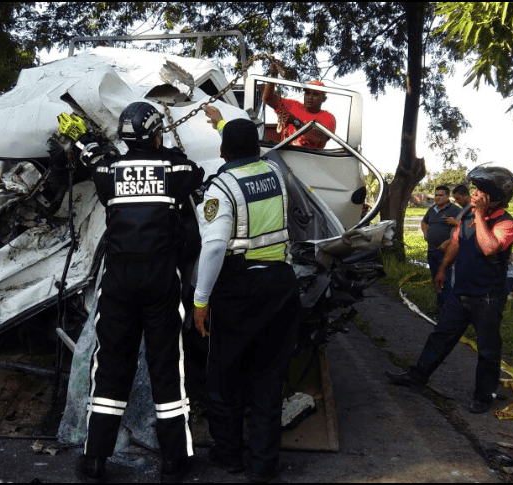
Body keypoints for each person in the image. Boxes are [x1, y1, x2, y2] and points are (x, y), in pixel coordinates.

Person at [57, 103, 204, 483]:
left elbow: (97, 163)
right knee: (167, 367)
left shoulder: (106, 171)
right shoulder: (174, 169)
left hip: (119, 280)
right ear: (156, 134)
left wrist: (93, 146)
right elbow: (194, 172)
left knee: (109, 368)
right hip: (160, 282)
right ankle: (174, 461)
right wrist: (161, 151)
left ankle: (94, 459)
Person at [195, 108, 300, 481]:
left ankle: (229, 456)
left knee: (225, 374)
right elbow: (244, 144)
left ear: (222, 151)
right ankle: (263, 464)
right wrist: (222, 121)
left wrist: (200, 301)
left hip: (240, 290)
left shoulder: (221, 188)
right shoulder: (274, 172)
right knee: (269, 378)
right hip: (282, 285)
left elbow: (213, 248)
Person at [386, 166, 513, 414]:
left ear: (496, 196)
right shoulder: (468, 213)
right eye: (476, 190)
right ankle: (417, 376)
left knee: (488, 349)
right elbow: (457, 241)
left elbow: (489, 247)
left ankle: (484, 394)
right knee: (441, 336)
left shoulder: (506, 223)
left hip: (488, 297)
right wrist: (441, 270)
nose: (475, 194)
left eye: (481, 191)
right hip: (461, 292)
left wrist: (479, 216)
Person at [262, 78, 336, 149]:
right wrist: (273, 76)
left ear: (324, 99)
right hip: (285, 155)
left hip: (310, 159)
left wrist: (296, 122)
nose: (310, 97)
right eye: (307, 93)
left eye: (315, 94)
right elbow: (268, 99)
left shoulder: (328, 117)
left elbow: (321, 137)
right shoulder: (292, 106)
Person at [421, 185, 461, 306]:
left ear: (448, 196)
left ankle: (447, 306)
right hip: (432, 250)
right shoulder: (432, 209)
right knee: (435, 277)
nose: (437, 198)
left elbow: (467, 225)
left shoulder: (455, 210)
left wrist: (455, 223)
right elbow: (424, 221)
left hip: (447, 251)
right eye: (436, 195)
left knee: (446, 279)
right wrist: (425, 232)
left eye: (440, 195)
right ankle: (440, 302)